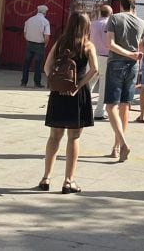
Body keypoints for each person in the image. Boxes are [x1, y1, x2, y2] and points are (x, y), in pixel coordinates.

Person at [37, 10, 98, 194]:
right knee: (74, 137)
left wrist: (57, 85)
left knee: (54, 136)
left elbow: (47, 67)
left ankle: (46, 177)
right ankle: (68, 181)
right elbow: (94, 69)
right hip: (76, 95)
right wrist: (78, 85)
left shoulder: (61, 43)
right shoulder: (87, 46)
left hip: (58, 94)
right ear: (87, 27)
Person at [104, 0, 144, 162]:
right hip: (133, 66)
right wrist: (135, 56)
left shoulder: (114, 18)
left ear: (121, 5)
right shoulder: (142, 23)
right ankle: (116, 147)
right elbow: (140, 45)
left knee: (110, 107)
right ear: (133, 5)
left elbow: (110, 44)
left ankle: (123, 144)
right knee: (124, 107)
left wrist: (127, 53)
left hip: (116, 64)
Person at [89, 4, 112, 119]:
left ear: (100, 13)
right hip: (106, 57)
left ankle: (83, 106)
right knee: (103, 86)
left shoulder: (92, 24)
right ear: (110, 13)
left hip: (92, 55)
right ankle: (99, 112)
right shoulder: (111, 25)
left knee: (89, 82)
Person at [21, 4, 51, 88]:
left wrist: (29, 40)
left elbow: (25, 33)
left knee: (26, 64)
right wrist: (45, 45)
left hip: (30, 44)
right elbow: (47, 36)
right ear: (45, 12)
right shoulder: (45, 22)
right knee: (38, 64)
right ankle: (37, 83)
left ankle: (24, 82)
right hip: (39, 45)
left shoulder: (29, 20)